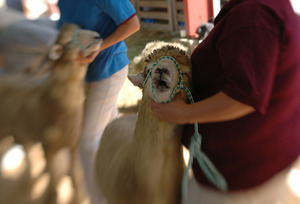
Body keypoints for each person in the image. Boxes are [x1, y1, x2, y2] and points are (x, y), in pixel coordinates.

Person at [150, 0, 300, 203]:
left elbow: (245, 96)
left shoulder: (253, 15)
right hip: (256, 164)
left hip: (238, 178)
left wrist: (183, 113)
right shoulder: (257, 8)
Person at [57, 1, 140, 203]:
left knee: (87, 142)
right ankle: (119, 185)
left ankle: (99, 199)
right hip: (85, 72)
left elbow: (133, 24)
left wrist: (99, 47)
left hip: (109, 68)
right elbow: (63, 30)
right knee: (106, 136)